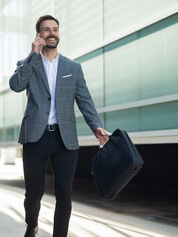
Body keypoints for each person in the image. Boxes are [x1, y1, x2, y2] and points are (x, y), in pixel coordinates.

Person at [9, 15, 109, 237]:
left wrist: (96, 126)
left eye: (54, 29)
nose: (51, 33)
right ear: (39, 35)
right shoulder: (28, 64)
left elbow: (85, 100)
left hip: (65, 138)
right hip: (36, 137)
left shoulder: (73, 67)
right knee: (33, 194)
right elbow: (16, 86)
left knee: (64, 194)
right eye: (46, 30)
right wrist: (33, 54)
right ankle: (31, 225)